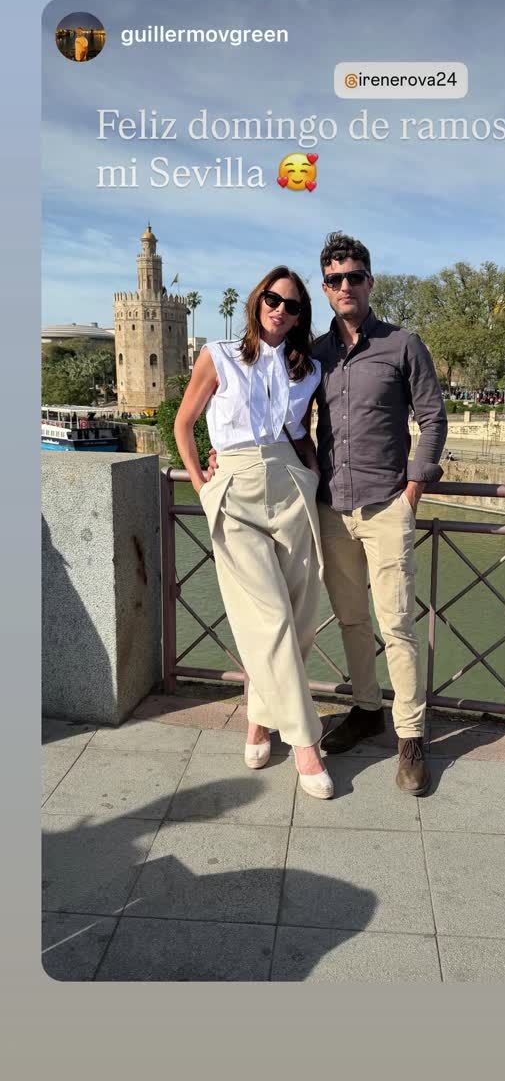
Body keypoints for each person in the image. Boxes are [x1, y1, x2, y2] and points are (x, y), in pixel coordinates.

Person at [175, 266, 333, 799]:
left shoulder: (307, 368)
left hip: (291, 483)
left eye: (292, 305)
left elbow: (303, 433)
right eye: (273, 299)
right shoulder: (218, 355)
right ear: (256, 300)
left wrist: (313, 475)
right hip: (235, 485)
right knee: (269, 617)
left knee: (300, 615)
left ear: (300, 316)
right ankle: (306, 742)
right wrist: (201, 485)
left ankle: (260, 718)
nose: (280, 310)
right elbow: (183, 423)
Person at [311, 232, 447, 795]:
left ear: (370, 281)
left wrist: (412, 489)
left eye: (354, 276)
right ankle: (366, 709)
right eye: (335, 279)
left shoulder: (402, 344)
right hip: (331, 507)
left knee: (397, 625)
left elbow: (432, 417)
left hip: (387, 505)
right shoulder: (314, 353)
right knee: (350, 619)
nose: (345, 285)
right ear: (325, 287)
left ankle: (410, 737)